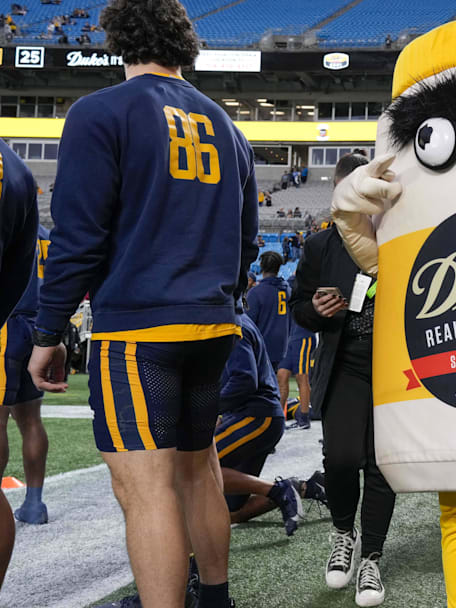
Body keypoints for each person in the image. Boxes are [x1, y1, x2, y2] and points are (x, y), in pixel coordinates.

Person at [29, 1, 259, 606]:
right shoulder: (228, 126)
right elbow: (247, 242)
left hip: (139, 328)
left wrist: (49, 331)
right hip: (214, 325)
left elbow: (78, 239)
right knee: (198, 466)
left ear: (119, 40)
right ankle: (215, 599)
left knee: (144, 487)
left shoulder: (99, 112)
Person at [290, 153, 395, 603]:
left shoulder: (400, 238)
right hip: (346, 363)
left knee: (382, 465)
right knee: (340, 458)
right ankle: (342, 534)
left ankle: (370, 557)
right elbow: (299, 308)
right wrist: (315, 310)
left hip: (396, 368)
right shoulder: (318, 247)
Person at [216, 303, 305, 532]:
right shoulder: (233, 319)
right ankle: (303, 488)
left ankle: (278, 489)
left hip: (255, 416)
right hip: (260, 417)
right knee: (232, 510)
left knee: (193, 467)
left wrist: (209, 407)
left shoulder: (230, 324)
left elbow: (244, 379)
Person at [0, 135, 40, 590]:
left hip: (12, 327)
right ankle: (35, 497)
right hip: (21, 320)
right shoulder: (19, 170)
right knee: (28, 420)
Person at [1, 226, 51, 526]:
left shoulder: (8, 216)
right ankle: (34, 502)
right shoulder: (44, 234)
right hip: (38, 325)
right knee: (30, 419)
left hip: (6, 323)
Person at [277, 275, 316, 429]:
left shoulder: (305, 288)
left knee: (301, 376)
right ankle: (279, 418)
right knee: (282, 375)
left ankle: (304, 418)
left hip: (304, 335)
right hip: (291, 336)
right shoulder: (289, 287)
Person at [247, 251, 291, 373]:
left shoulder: (256, 292)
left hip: (260, 348)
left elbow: (248, 324)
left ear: (261, 267)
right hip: (281, 348)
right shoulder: (288, 290)